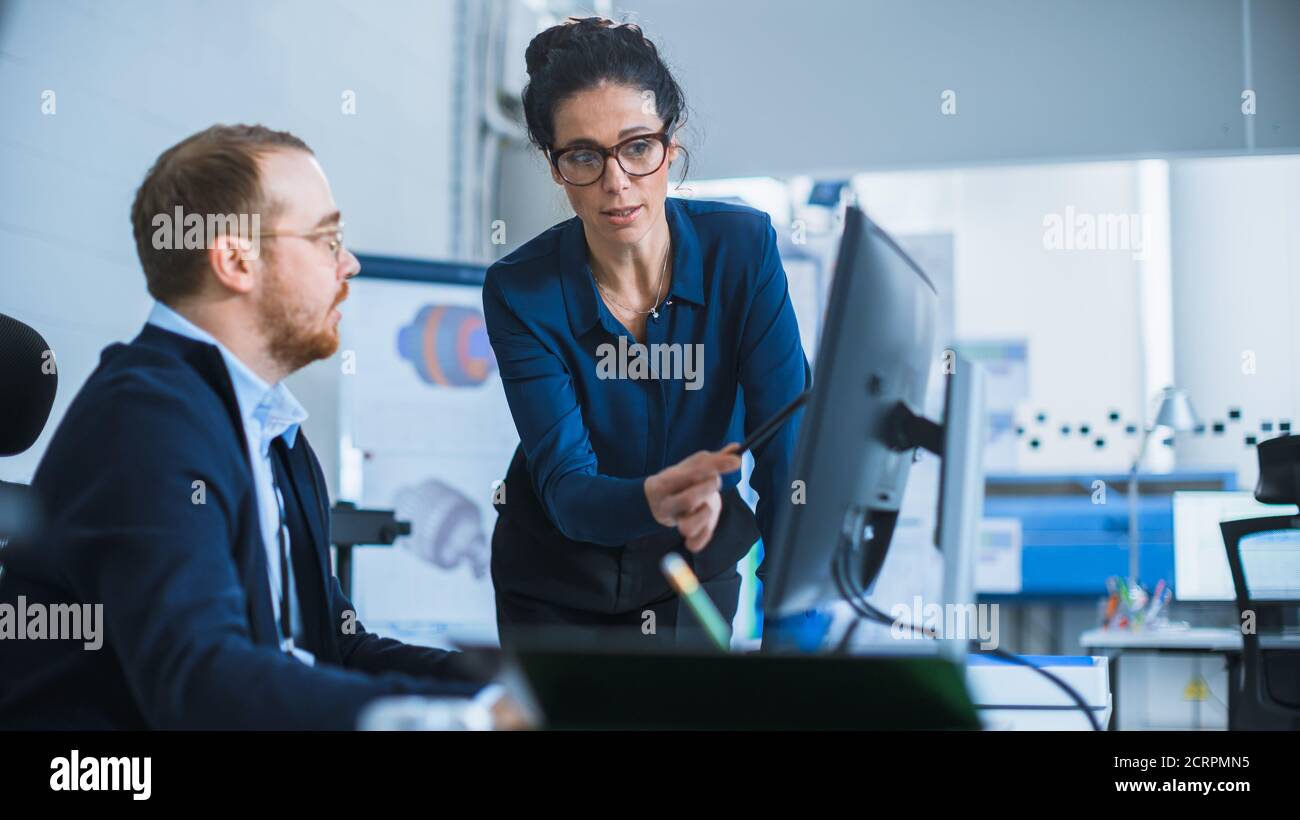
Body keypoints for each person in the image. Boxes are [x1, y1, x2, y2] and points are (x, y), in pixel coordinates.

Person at [0, 124, 508, 729]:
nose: (350, 262)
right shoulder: (144, 421)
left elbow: (332, 648)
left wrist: (507, 690)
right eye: (326, 239)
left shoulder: (275, 433)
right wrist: (467, 721)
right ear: (236, 259)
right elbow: (203, 683)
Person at [484, 18, 809, 648]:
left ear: (670, 143)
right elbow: (567, 489)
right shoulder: (520, 291)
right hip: (555, 584)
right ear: (555, 166)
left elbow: (785, 446)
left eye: (637, 147)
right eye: (583, 155)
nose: (615, 182)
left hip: (695, 565)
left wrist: (790, 619)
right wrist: (653, 498)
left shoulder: (741, 250)